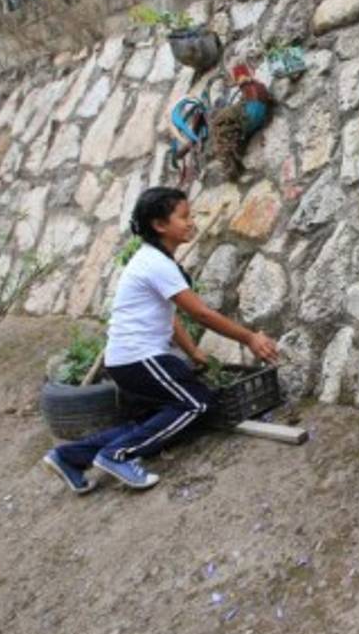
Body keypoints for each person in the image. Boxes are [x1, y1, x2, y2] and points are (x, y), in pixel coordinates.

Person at [41, 187, 279, 493]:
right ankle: (117, 455)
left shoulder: (154, 260)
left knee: (152, 420)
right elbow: (201, 314)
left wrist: (193, 353)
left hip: (128, 361)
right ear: (159, 225)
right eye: (184, 217)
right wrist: (250, 338)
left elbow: (171, 314)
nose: (191, 222)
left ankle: (69, 456)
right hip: (140, 358)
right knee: (197, 404)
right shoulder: (156, 263)